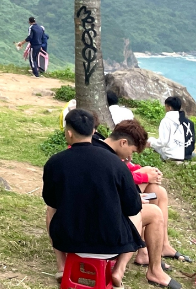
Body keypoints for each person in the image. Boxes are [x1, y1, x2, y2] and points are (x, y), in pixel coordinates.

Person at [43, 109, 180, 288]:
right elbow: (132, 208)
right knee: (145, 211)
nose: (130, 157)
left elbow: (51, 200)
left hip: (68, 242)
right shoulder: (117, 165)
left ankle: (62, 266)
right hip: (110, 247)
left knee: (52, 208)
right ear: (93, 131)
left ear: (69, 133)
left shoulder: (54, 163)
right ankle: (121, 269)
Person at [101, 120, 192, 266]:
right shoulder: (107, 157)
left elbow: (125, 171)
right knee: (153, 210)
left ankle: (163, 244)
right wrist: (142, 176)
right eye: (132, 151)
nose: (130, 156)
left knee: (158, 192)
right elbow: (117, 179)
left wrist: (143, 171)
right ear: (123, 143)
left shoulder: (114, 153)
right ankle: (144, 252)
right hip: (110, 218)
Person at [148, 96, 195, 162]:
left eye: (166, 106)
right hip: (187, 155)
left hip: (171, 156)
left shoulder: (166, 121)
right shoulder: (189, 123)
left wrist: (150, 144)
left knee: (151, 140)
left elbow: (162, 142)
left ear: (169, 108)